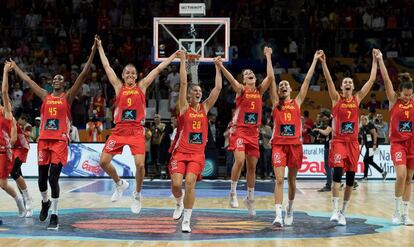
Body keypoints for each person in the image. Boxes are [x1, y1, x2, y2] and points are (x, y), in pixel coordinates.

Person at [11, 39, 97, 229]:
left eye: (60, 79)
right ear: (51, 83)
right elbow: (28, 80)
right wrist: (15, 66)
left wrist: (92, 52)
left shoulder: (67, 96)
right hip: (43, 141)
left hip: (59, 141)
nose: (56, 80)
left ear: (64, 83)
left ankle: (55, 214)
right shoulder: (45, 95)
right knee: (42, 179)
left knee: (53, 178)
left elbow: (83, 75)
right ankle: (45, 202)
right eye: (54, 79)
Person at [95, 35, 179, 214]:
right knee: (103, 162)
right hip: (119, 130)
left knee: (140, 165)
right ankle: (119, 183)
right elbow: (107, 66)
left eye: (133, 73)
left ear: (136, 75)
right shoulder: (118, 87)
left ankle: (137, 194)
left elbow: (158, 69)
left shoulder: (142, 87)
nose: (130, 75)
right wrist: (100, 47)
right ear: (123, 76)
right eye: (127, 73)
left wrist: (173, 56)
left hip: (135, 131)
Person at [319, 49, 378, 226]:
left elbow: (372, 80)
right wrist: (323, 62)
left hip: (353, 143)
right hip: (338, 142)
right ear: (341, 86)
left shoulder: (358, 98)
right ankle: (335, 210)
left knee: (351, 179)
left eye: (350, 82)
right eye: (345, 81)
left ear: (352, 87)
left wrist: (375, 61)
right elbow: (329, 80)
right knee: (337, 173)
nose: (347, 83)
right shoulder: (336, 99)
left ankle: (343, 211)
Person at [169, 52, 222, 232]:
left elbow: (217, 89)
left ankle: (187, 220)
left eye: (200, 91)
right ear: (189, 95)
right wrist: (183, 60)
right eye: (195, 91)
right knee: (176, 185)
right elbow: (184, 83)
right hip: (180, 152)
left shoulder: (205, 108)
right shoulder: (184, 107)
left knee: (190, 183)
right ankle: (178, 202)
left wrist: (218, 67)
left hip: (197, 154)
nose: (198, 93)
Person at [217, 47, 273, 216]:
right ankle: (233, 192)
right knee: (239, 161)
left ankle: (250, 198)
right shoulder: (241, 90)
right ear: (244, 79)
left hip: (254, 133)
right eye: (246, 73)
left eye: (251, 72)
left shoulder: (259, 91)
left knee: (252, 168)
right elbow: (231, 79)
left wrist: (268, 56)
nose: (250, 73)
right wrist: (220, 66)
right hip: (240, 130)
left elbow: (270, 77)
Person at [269, 51, 321, 226]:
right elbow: (270, 78)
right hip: (278, 146)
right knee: (278, 180)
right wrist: (269, 57)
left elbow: (306, 80)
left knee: (292, 180)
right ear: (278, 90)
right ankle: (277, 215)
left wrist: (314, 60)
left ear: (291, 89)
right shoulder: (276, 103)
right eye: (281, 85)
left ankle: (289, 209)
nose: (283, 86)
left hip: (295, 146)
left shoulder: (297, 102)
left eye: (286, 85)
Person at [377, 49, 414, 225]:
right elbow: (386, 80)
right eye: (405, 95)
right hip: (398, 144)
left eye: (410, 95)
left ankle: (406, 214)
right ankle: (396, 210)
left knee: (408, 179)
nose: (407, 98)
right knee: (400, 175)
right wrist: (380, 60)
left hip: (412, 144)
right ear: (399, 93)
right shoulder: (394, 101)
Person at [0, 61, 26, 218]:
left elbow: (4, 91)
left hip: (4, 151)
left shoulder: (8, 115)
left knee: (3, 184)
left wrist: (5, 72)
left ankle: (19, 201)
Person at [359, 115, 387, 181]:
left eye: (363, 119)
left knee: (366, 160)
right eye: (361, 120)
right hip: (368, 146)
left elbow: (375, 134)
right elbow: (363, 138)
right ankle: (383, 172)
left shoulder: (370, 125)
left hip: (373, 145)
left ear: (366, 120)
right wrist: (361, 146)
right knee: (370, 161)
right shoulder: (363, 127)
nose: (361, 121)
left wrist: (374, 144)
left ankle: (365, 177)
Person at [314, 110, 333, 192]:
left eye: (323, 117)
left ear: (327, 116)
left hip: (331, 147)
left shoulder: (332, 121)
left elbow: (326, 132)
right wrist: (321, 138)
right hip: (329, 145)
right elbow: (328, 135)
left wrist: (318, 130)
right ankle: (335, 182)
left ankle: (329, 185)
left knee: (328, 166)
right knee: (332, 167)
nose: (322, 119)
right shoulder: (330, 121)